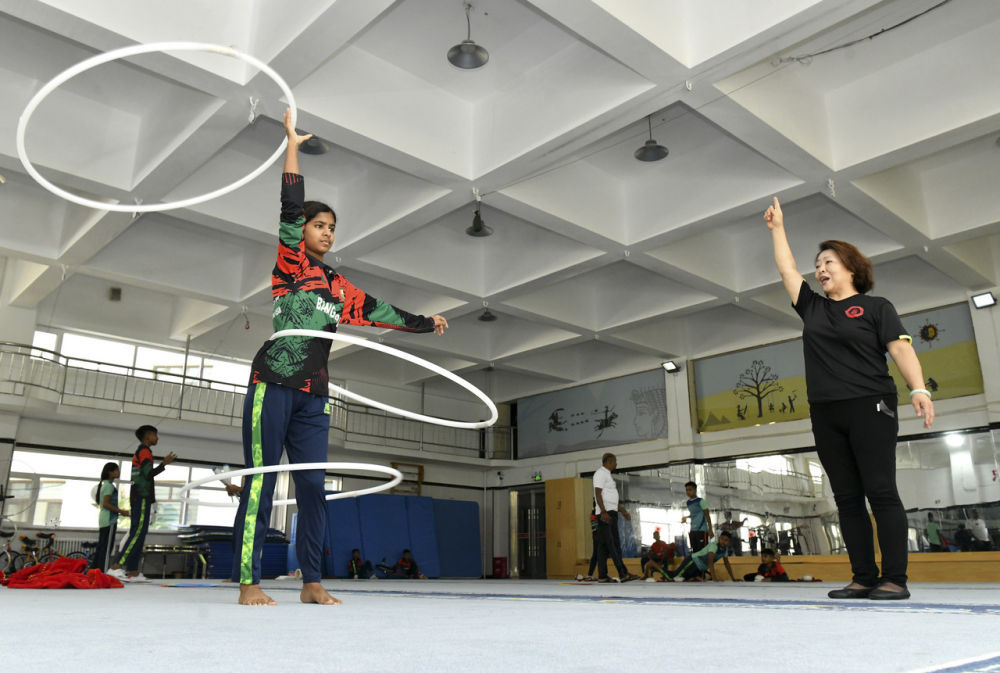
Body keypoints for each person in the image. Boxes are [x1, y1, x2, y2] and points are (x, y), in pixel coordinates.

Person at [231, 109, 448, 606]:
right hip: (273, 382)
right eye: (319, 225)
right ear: (303, 232)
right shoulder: (290, 266)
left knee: (313, 491)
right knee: (261, 485)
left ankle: (311, 581)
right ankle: (249, 582)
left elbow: (380, 311)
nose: (327, 233)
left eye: (332, 227)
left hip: (315, 395)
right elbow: (287, 205)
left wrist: (426, 321)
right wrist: (292, 145)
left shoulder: (338, 286)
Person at [766, 197, 934, 601]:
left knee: (880, 490)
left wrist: (918, 388)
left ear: (851, 268)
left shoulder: (876, 308)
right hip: (826, 413)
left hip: (870, 405)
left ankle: (895, 578)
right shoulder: (813, 309)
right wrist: (777, 229)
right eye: (818, 265)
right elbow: (788, 269)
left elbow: (900, 349)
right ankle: (863, 577)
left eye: (829, 263)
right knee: (845, 498)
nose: (820, 270)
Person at [108, 425, 175, 583]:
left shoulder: (142, 451)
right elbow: (148, 474)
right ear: (148, 436)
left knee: (141, 533)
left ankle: (133, 571)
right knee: (137, 532)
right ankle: (116, 567)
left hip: (142, 496)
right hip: (141, 497)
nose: (157, 438)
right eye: (155, 435)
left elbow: (146, 477)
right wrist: (164, 464)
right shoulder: (144, 451)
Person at [593, 452, 639, 583]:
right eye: (615, 461)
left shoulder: (607, 475)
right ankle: (623, 573)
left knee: (603, 546)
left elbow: (610, 498)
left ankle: (602, 575)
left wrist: (623, 511)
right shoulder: (600, 474)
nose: (616, 463)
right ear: (609, 461)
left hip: (610, 512)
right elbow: (598, 493)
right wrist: (603, 511)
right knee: (613, 544)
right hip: (606, 514)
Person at [91, 462, 129, 573]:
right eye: (116, 470)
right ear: (110, 472)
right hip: (109, 520)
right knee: (106, 548)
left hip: (104, 519)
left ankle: (94, 571)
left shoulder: (105, 485)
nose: (119, 472)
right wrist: (121, 511)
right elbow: (106, 503)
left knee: (101, 547)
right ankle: (102, 572)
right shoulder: (109, 486)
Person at [666, 531, 736, 582]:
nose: (723, 541)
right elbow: (710, 562)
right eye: (722, 539)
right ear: (719, 538)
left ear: (729, 542)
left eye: (726, 540)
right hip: (692, 562)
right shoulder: (714, 546)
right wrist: (714, 578)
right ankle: (660, 570)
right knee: (673, 576)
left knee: (683, 579)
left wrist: (733, 578)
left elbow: (727, 564)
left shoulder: (725, 550)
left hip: (698, 568)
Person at [681, 481, 712, 553]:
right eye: (687, 490)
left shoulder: (701, 501)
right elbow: (694, 514)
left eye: (690, 490)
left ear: (695, 490)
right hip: (693, 531)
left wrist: (710, 529)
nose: (688, 492)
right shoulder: (688, 502)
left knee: (702, 552)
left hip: (702, 530)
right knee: (694, 552)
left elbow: (707, 515)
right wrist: (686, 517)